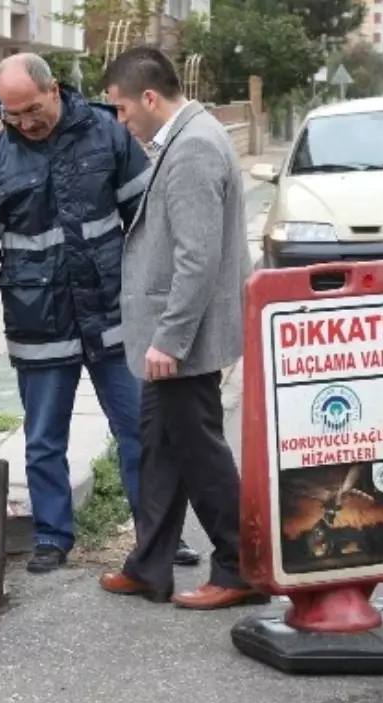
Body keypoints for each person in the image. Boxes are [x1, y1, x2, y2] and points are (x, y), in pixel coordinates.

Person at [0, 52, 200, 574]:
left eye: (30, 110)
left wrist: (164, 303)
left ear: (54, 91)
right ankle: (51, 537)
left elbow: (149, 222)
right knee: (44, 440)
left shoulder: (108, 135)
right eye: (11, 114)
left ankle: (157, 535)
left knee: (141, 432)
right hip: (38, 321)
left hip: (114, 313)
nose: (22, 123)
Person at [97, 46, 268, 610]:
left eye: (121, 109)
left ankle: (240, 567)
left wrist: (169, 338)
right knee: (159, 448)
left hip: (182, 341)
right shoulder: (188, 135)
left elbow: (196, 258)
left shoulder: (192, 147)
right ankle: (150, 566)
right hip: (175, 336)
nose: (119, 122)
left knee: (199, 452)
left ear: (149, 97)